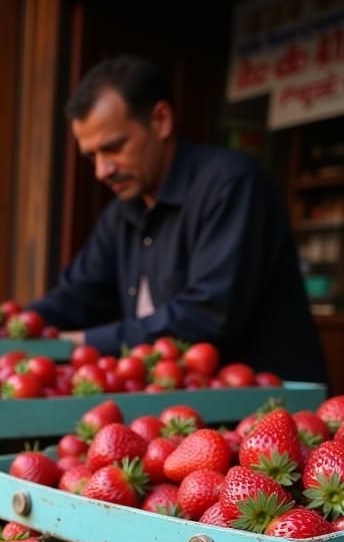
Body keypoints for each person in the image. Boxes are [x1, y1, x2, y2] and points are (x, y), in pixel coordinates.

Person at [28, 55, 328, 383]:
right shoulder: (122, 213)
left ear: (161, 120)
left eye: (113, 148)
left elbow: (207, 316)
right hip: (189, 411)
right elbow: (76, 296)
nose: (102, 170)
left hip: (274, 411)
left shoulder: (233, 183)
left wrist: (81, 342)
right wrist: (12, 329)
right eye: (92, 156)